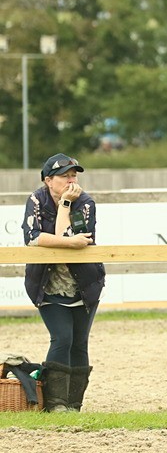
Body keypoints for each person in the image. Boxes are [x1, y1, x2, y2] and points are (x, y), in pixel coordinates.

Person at [22, 153, 105, 412]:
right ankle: (55, 404)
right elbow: (33, 238)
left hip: (84, 284)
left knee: (79, 342)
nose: (72, 179)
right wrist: (69, 240)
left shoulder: (86, 201)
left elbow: (80, 238)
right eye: (65, 175)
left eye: (74, 174)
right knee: (62, 338)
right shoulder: (37, 199)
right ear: (49, 180)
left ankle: (73, 405)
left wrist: (67, 208)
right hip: (47, 284)